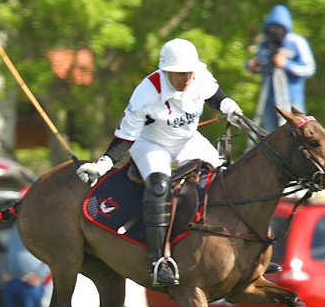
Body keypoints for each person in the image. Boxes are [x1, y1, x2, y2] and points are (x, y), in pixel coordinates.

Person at [76, 38, 244, 287]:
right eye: (179, 74)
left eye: (189, 72)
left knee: (228, 178)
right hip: (152, 144)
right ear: (166, 72)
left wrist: (230, 107)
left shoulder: (199, 76)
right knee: (159, 188)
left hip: (189, 141)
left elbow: (216, 97)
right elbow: (125, 136)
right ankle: (159, 262)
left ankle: (243, 250)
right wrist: (101, 166)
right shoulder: (147, 92)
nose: (186, 78)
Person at [245, 5, 315, 133]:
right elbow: (260, 62)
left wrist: (286, 64)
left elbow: (309, 69)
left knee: (296, 135)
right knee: (272, 137)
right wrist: (251, 65)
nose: (276, 31)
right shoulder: (264, 43)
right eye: (273, 27)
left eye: (280, 27)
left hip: (292, 100)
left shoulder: (297, 42)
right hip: (269, 100)